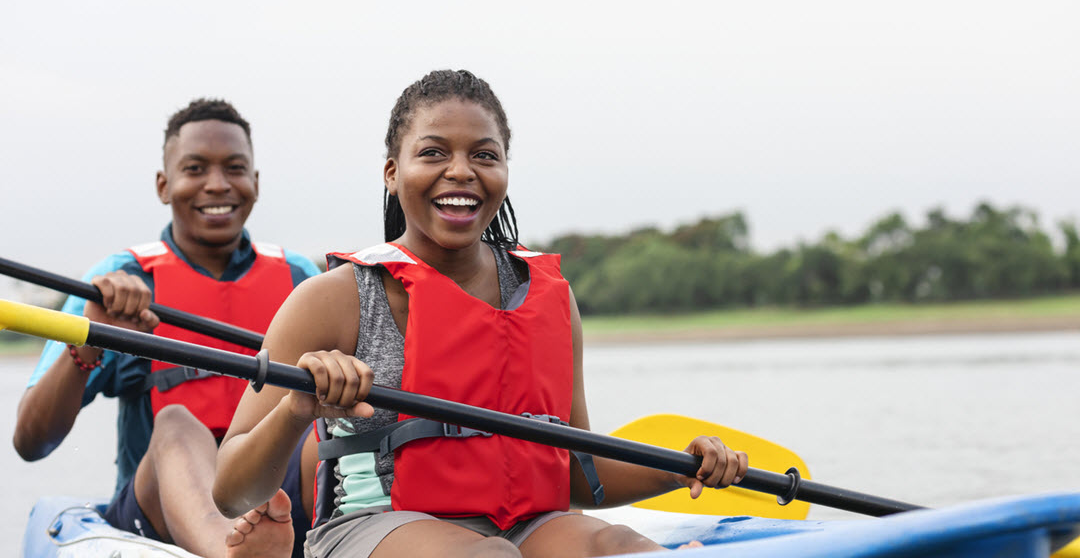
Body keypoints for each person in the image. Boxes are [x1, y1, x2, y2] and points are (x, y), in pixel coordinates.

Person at [213, 70, 749, 557]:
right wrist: (296, 407)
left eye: (485, 155)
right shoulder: (334, 298)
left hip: (525, 525)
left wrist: (681, 468)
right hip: (374, 528)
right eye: (434, 153)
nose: (461, 172)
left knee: (620, 545)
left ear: (505, 171)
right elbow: (232, 491)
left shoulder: (550, 296)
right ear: (392, 173)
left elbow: (575, 477)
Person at [13, 98, 320, 558]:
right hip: (157, 515)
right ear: (164, 184)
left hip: (274, 500)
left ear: (254, 183)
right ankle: (228, 552)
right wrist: (92, 338)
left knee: (325, 427)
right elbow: (31, 442)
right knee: (175, 421)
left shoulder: (300, 279)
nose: (217, 185)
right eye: (195, 169)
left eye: (234, 169)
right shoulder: (121, 277)